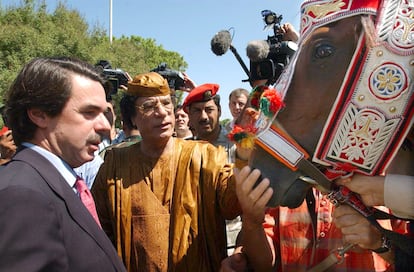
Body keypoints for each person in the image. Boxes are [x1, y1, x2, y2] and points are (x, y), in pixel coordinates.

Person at [91, 71, 245, 272]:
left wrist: (246, 158)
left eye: (166, 104)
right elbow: (99, 229)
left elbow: (233, 205)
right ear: (132, 118)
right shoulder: (115, 165)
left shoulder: (206, 156)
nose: (162, 112)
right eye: (148, 106)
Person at [0, 57, 126, 271]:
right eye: (89, 112)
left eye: (104, 113)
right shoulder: (22, 195)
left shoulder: (57, 184)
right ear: (39, 114)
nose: (105, 125)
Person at [183, 84, 251, 255]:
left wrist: (241, 248)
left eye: (209, 109)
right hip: (197, 248)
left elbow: (249, 202)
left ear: (219, 111)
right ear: (189, 116)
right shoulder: (183, 152)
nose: (204, 116)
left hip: (235, 244)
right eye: (197, 111)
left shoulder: (239, 147)